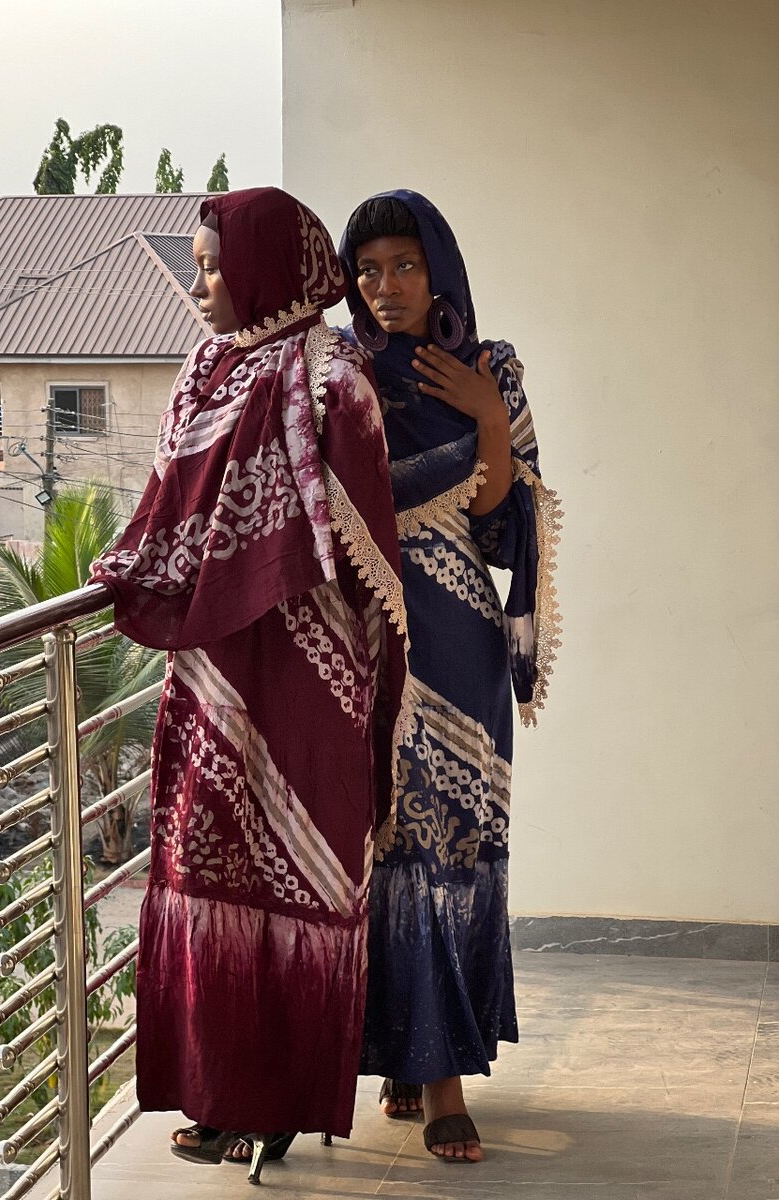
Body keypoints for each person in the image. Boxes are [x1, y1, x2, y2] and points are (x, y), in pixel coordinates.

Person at [90, 187, 411, 1183]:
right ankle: (223, 1096)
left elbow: (366, 552)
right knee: (209, 868)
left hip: (309, 673)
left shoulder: (334, 380)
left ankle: (285, 1097)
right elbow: (168, 511)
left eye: (214, 266)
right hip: (217, 672)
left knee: (307, 873)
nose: (199, 285)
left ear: (269, 269)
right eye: (196, 264)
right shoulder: (201, 372)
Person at [337, 190, 562, 1163]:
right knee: (390, 849)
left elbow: (504, 523)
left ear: (440, 270)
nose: (387, 288)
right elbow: (336, 505)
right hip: (373, 641)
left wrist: (489, 424)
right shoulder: (341, 375)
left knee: (453, 844)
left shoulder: (491, 367)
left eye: (406, 266)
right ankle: (409, 1055)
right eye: (370, 269)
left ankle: (441, 1075)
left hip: (461, 639)